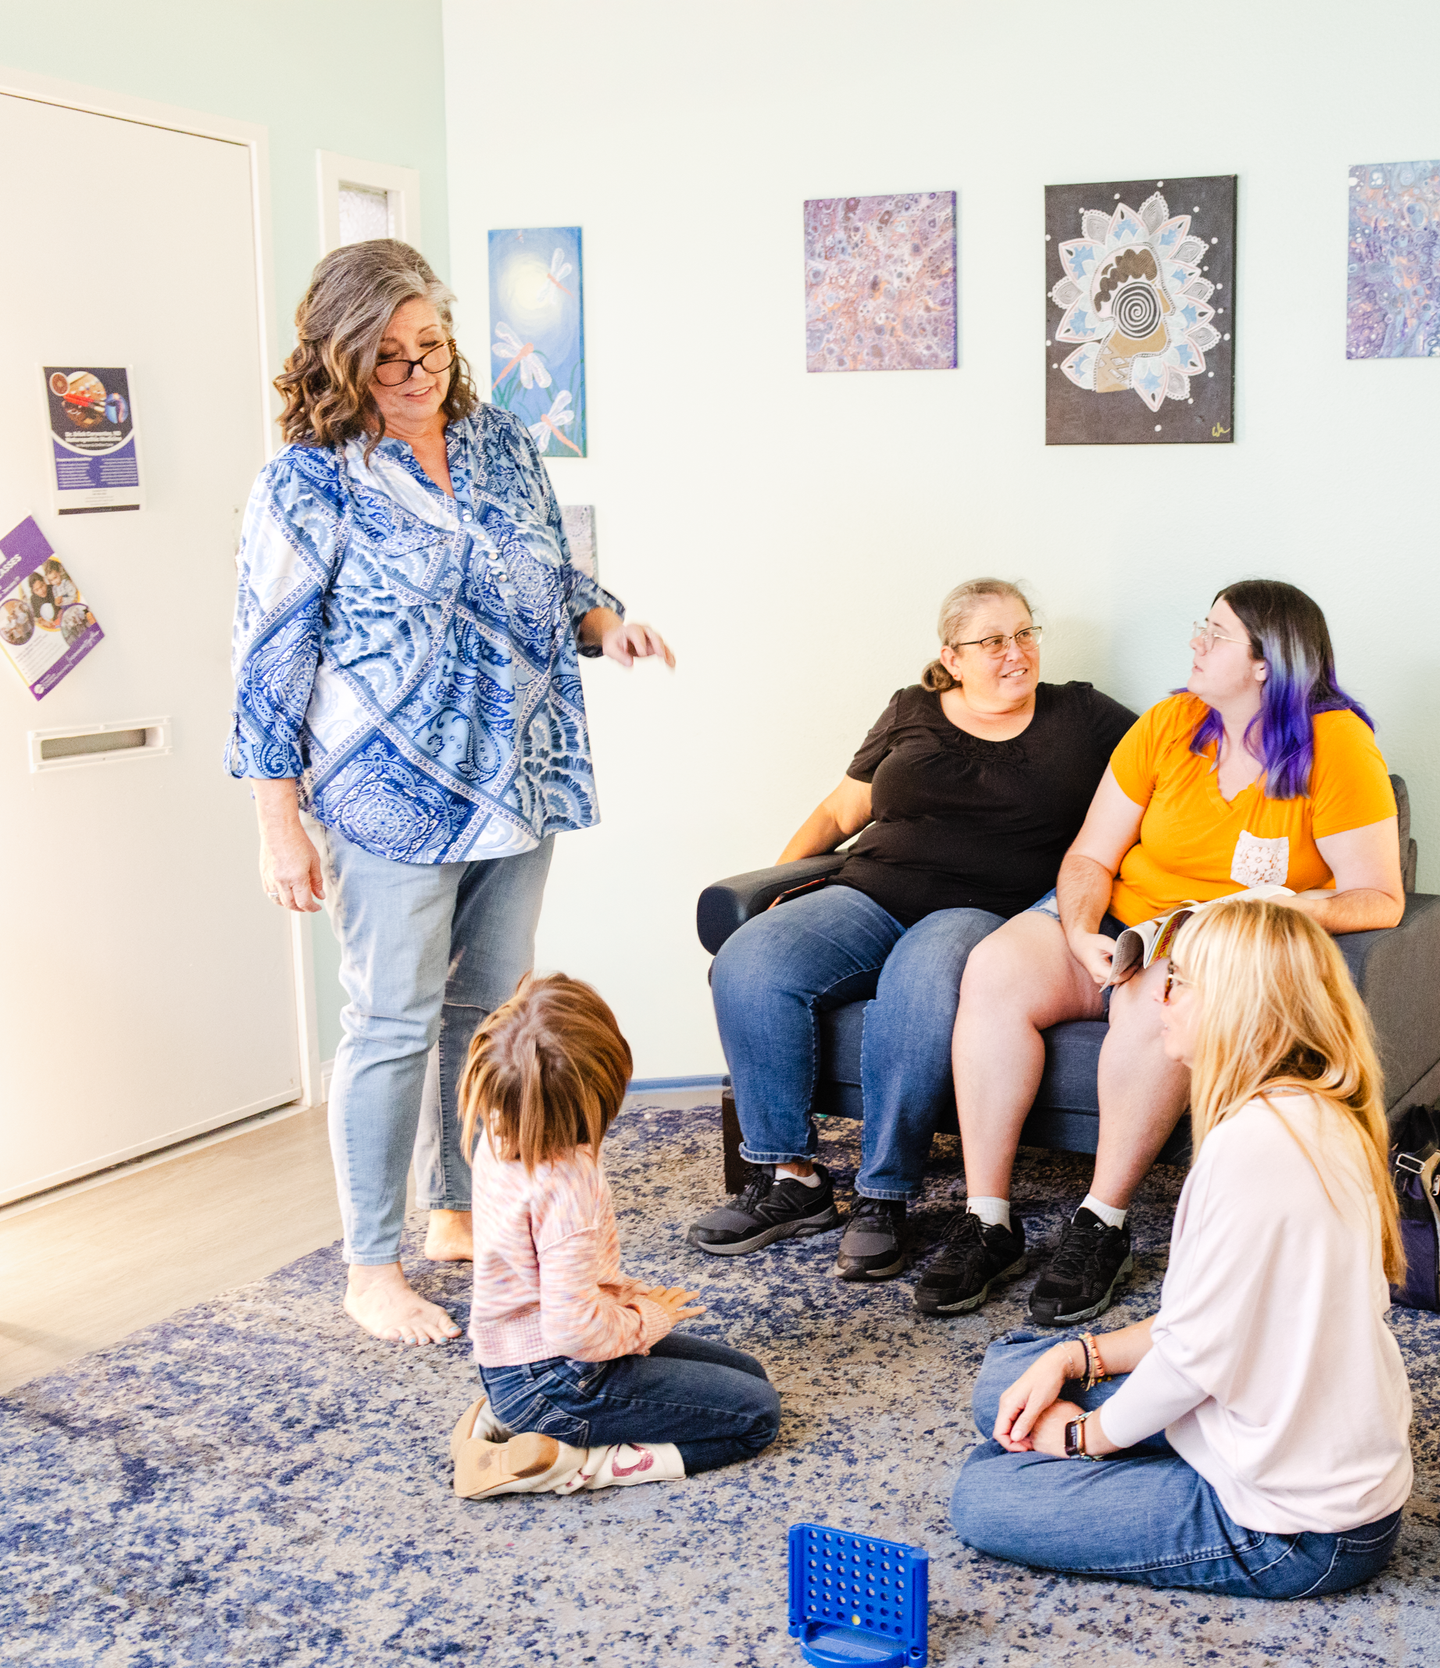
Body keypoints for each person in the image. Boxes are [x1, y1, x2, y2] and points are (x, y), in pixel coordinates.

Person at [227, 239, 672, 1346]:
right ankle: (369, 1266)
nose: (418, 372)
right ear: (337, 361)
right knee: (388, 1018)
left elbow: (548, 578)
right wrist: (277, 820)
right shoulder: (306, 480)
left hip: (515, 768)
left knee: (484, 1010)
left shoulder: (499, 444)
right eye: (386, 358)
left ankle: (456, 1207)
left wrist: (606, 624)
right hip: (386, 788)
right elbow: (270, 655)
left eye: (430, 346)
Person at [922, 580, 1403, 1322]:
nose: (1194, 646)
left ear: (1266, 663)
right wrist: (1083, 933)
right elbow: (1089, 857)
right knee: (993, 969)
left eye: (1215, 635)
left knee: (1159, 1001)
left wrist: (1283, 909)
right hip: (1117, 925)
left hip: (1206, 945)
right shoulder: (1171, 722)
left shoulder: (1334, 746)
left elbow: (1379, 897)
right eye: (1199, 629)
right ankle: (988, 1220)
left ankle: (1101, 1224)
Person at [948, 900, 1413, 1596]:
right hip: (1278, 1433)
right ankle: (1112, 1440)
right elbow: (1203, 1328)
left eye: (1182, 980)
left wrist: (1083, 1441)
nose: (1158, 994)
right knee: (1010, 1376)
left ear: (1238, 1008)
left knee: (984, 1492)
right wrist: (1078, 1355)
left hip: (1301, 1532)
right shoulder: (1312, 1110)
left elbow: (1193, 1358)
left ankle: (1116, 1461)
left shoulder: (1250, 1151)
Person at [694, 580, 1136, 1280]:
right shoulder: (911, 709)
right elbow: (842, 814)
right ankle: (792, 1179)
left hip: (980, 913)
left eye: (1025, 633)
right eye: (992, 641)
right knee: (751, 958)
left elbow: (1167, 764)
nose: (1016, 653)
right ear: (951, 657)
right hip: (867, 892)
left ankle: (883, 1195)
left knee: (920, 977)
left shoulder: (1080, 714)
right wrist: (776, 888)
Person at [451, 973, 780, 1496]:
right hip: (561, 1381)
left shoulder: (501, 1123)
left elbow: (552, 1285)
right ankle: (573, 1462)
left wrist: (625, 1301)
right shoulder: (569, 1187)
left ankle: (502, 1418)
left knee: (748, 1373)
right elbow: (573, 1333)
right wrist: (649, 1319)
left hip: (515, 1363)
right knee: (757, 1416)